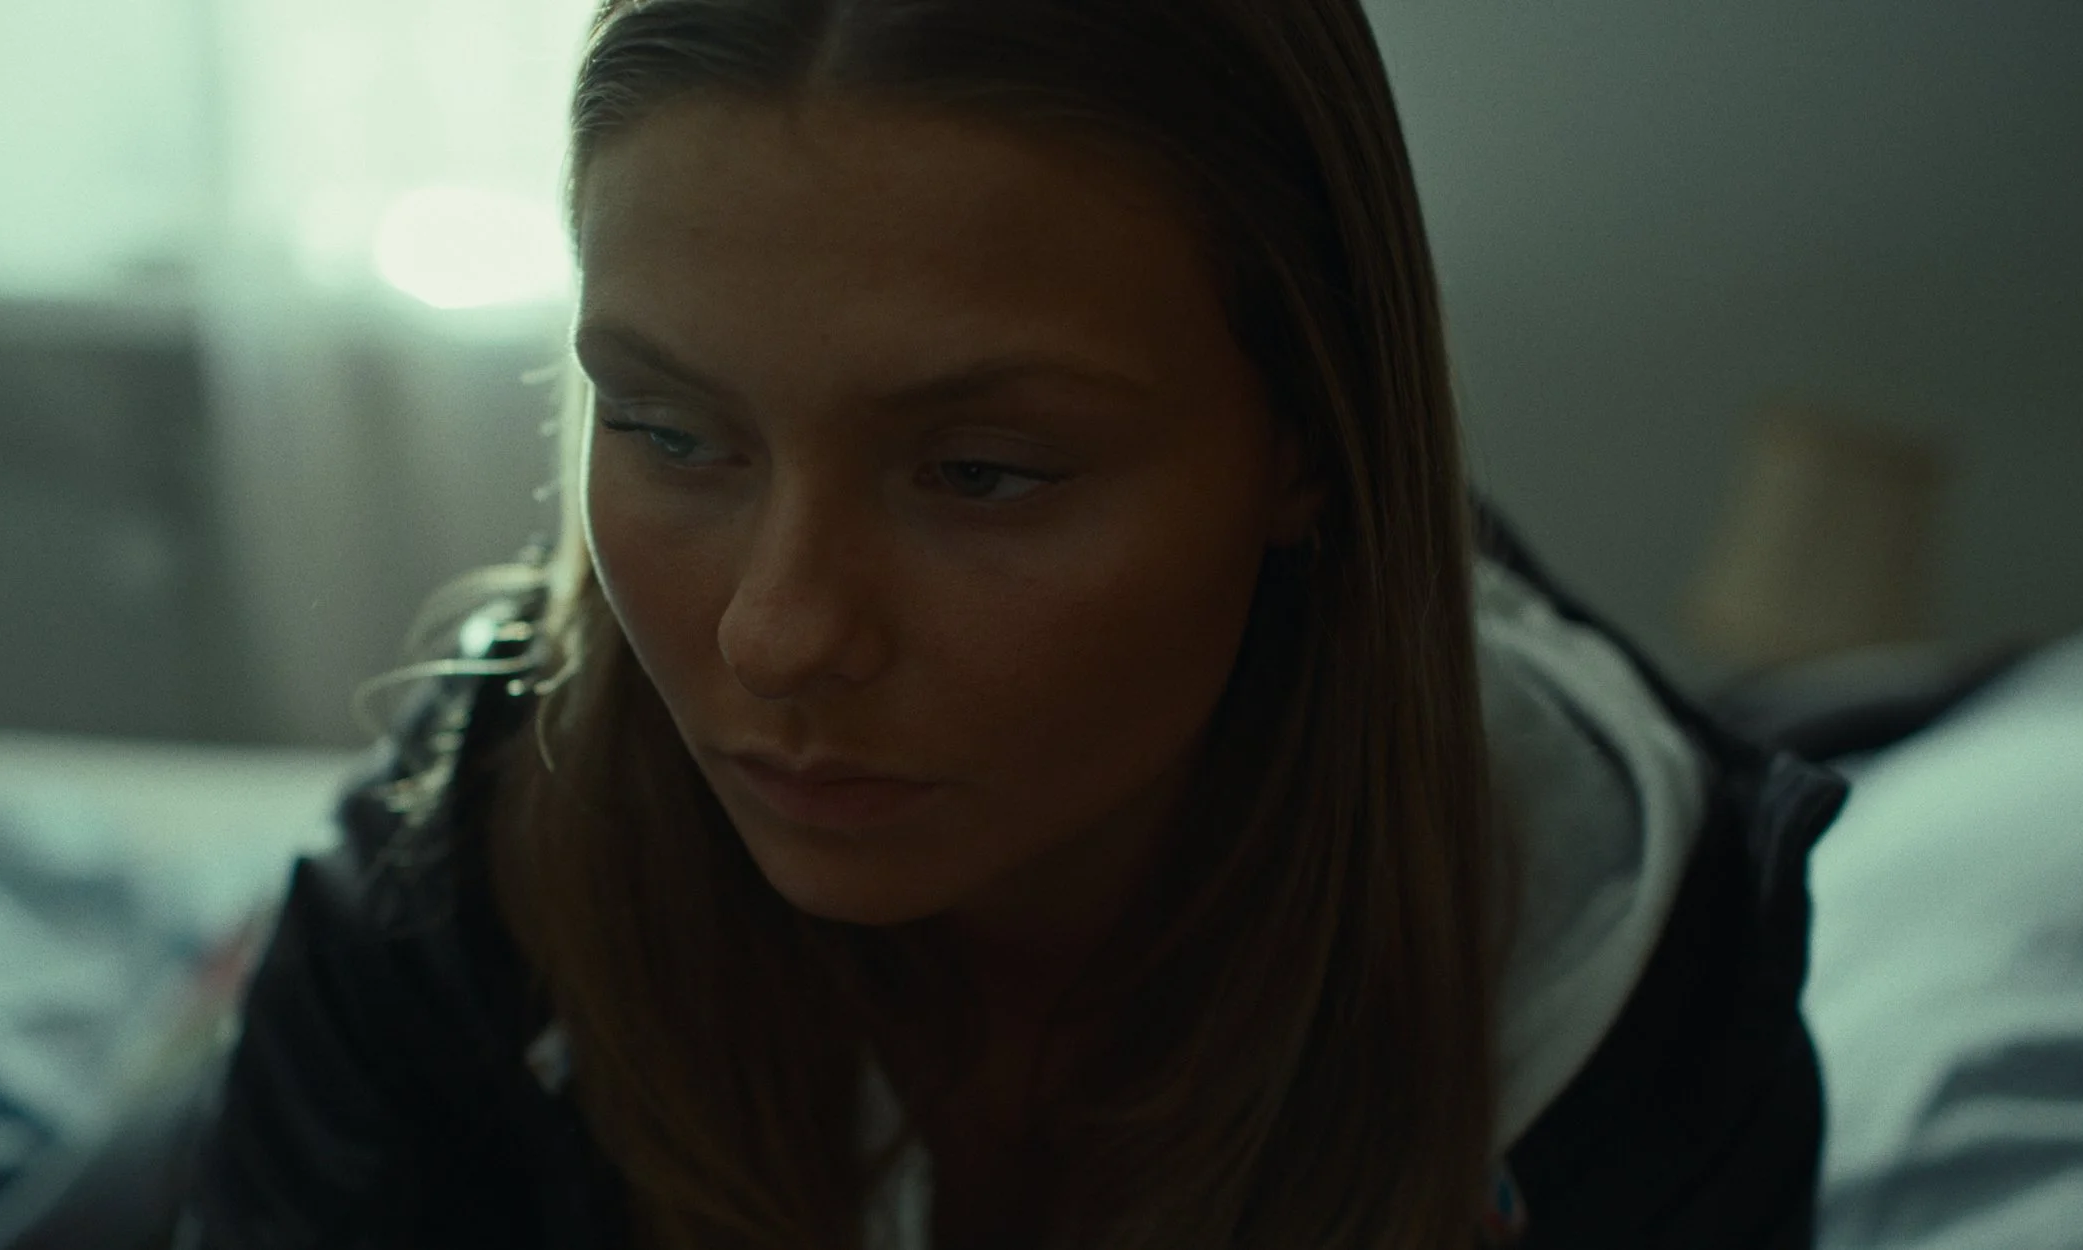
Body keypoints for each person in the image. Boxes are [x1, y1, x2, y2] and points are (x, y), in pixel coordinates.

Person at [184, 0, 1846, 1246]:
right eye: (672, 432)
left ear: (1308, 443)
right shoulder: (456, 881)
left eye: (982, 473)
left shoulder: (1624, 988)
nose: (778, 633)